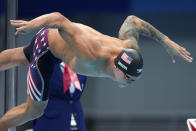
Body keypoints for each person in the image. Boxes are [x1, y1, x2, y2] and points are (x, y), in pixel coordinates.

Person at [0, 12, 193, 130]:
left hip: (58, 49)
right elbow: (59, 19)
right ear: (118, 69)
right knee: (34, 110)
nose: (128, 84)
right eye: (128, 79)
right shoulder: (91, 52)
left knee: (18, 58)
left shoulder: (129, 46)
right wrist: (33, 24)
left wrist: (166, 41)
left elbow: (133, 21)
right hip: (46, 50)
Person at [0, 32, 87, 131]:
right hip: (49, 120)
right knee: (33, 110)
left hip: (76, 120)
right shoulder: (45, 56)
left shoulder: (83, 62)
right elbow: (14, 56)